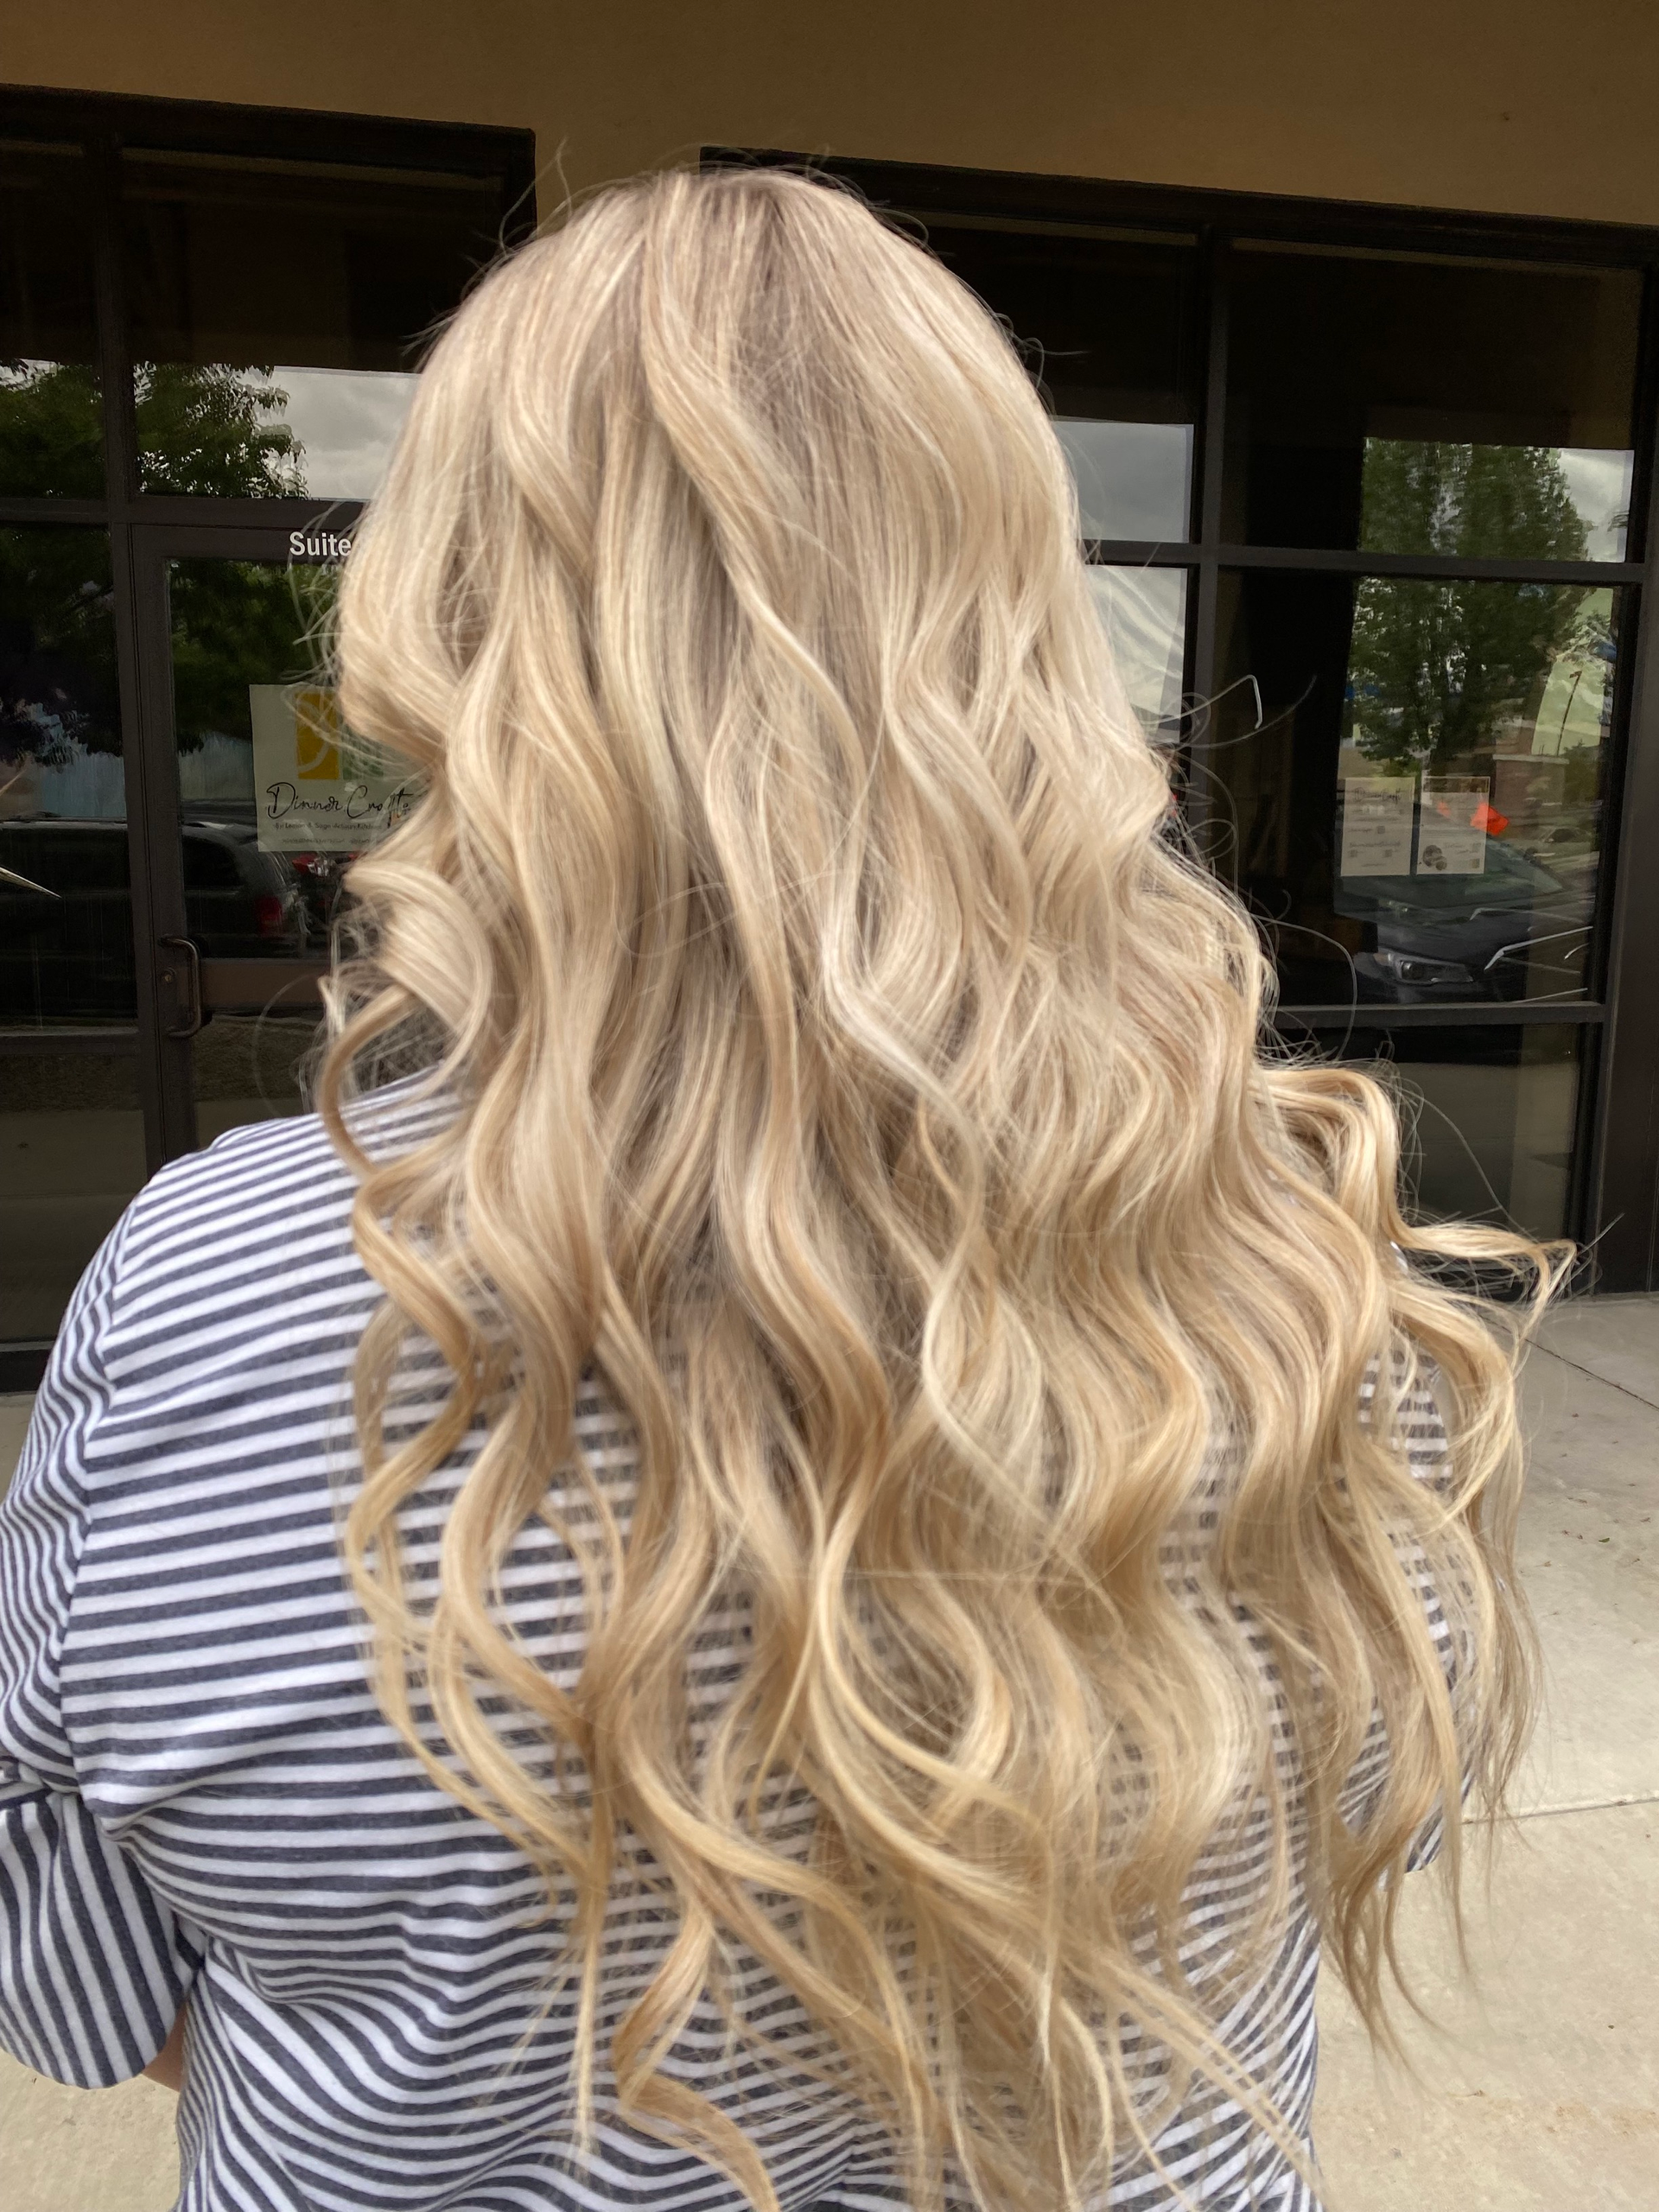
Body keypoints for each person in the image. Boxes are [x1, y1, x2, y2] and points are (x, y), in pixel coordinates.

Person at [0, 168, 1554, 2212]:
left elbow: (92, 1985)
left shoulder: (207, 1291)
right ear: (1020, 635)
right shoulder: (1295, 1266)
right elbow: (1336, 1840)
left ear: (454, 641)